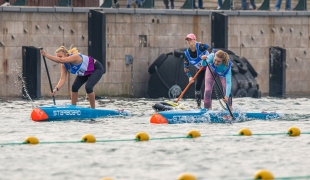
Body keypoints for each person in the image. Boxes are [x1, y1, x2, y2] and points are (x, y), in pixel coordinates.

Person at [184, 33, 211, 108]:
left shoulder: (201, 46)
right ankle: (198, 106)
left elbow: (212, 50)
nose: (189, 41)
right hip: (200, 69)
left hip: (209, 67)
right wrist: (189, 76)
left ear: (195, 40)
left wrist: (208, 57)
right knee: (197, 87)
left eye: (190, 40)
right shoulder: (186, 53)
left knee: (207, 87)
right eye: (187, 40)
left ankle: (208, 106)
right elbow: (185, 67)